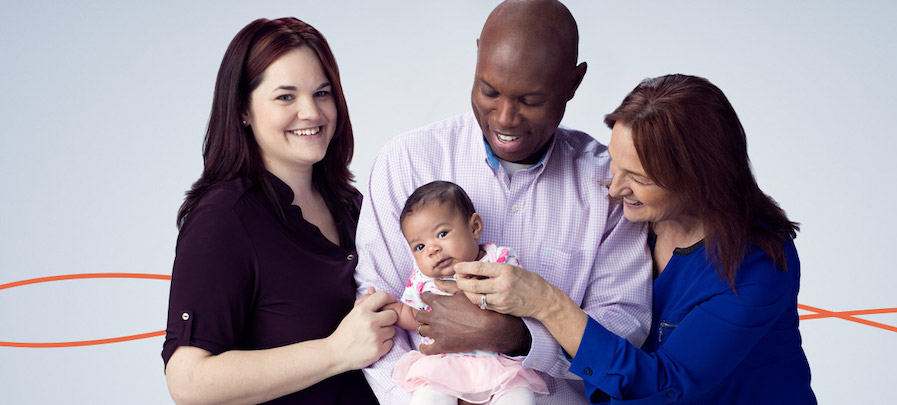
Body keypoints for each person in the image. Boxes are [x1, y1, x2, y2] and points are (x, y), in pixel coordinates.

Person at [453, 74, 818, 404]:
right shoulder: (637, 218)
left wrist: (546, 303)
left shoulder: (758, 267)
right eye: (614, 162)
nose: (614, 188)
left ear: (698, 179)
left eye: (639, 178)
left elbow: (662, 385)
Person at [354, 1, 652, 403]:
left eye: (530, 100)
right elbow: (375, 313)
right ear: (477, 55)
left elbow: (623, 326)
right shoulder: (405, 161)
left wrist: (517, 336)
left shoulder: (608, 184)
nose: (506, 118)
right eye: (489, 91)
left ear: (573, 83)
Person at [161, 17, 397, 404]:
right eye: (286, 97)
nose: (312, 113)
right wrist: (335, 352)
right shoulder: (223, 219)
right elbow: (188, 381)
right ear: (243, 110)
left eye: (322, 93)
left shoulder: (354, 206)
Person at [384, 181, 549, 404]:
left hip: (500, 364)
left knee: (519, 396)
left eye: (442, 234)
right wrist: (392, 310)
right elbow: (417, 316)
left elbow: (518, 301)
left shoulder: (498, 262)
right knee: (428, 397)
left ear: (474, 228)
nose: (432, 249)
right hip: (444, 365)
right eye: (420, 247)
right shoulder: (424, 281)